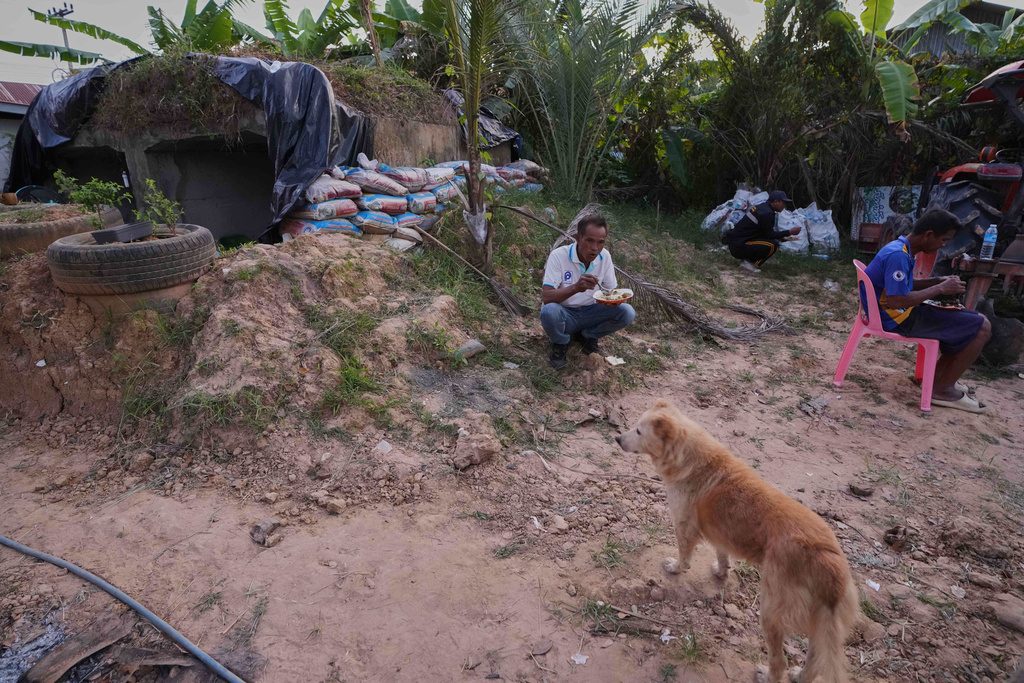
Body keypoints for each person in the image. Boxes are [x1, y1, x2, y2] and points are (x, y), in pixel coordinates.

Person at [863, 208, 992, 413]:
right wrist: (940, 289)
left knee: (971, 318)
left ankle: (941, 378)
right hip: (896, 318)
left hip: (894, 313)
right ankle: (941, 389)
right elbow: (897, 300)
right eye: (943, 240)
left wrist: (936, 281)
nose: (944, 245)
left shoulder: (902, 248)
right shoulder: (899, 255)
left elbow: (903, 285)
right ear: (929, 235)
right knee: (981, 326)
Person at [540, 214, 635, 370]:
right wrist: (576, 288)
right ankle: (560, 343)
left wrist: (614, 300)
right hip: (565, 314)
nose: (595, 248)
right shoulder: (559, 256)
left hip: (591, 312)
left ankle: (588, 336)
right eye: (589, 240)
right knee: (549, 312)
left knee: (627, 312)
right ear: (578, 238)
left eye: (600, 242)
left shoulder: (604, 256)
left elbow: (611, 290)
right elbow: (547, 297)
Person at [726, 190, 802, 273]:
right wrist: (789, 232)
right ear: (776, 202)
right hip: (739, 245)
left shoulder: (763, 208)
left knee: (772, 242)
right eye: (783, 203)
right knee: (772, 245)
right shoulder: (767, 213)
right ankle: (750, 265)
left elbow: (764, 232)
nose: (784, 206)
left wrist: (782, 237)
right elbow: (769, 235)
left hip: (737, 242)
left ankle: (750, 260)